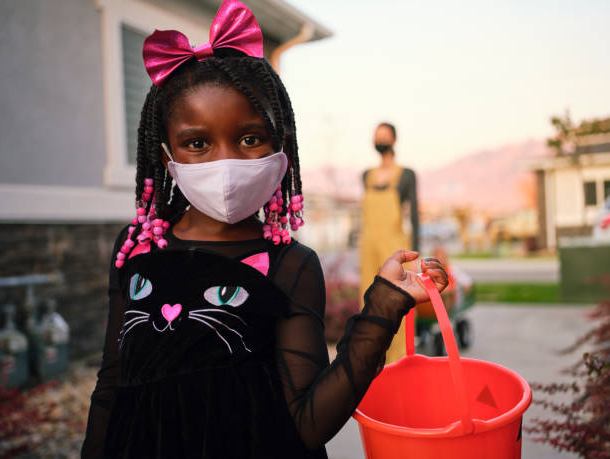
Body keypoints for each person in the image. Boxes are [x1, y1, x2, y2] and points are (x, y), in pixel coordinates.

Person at [82, 2, 447, 457]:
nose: (227, 162)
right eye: (197, 143)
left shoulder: (292, 265)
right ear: (164, 155)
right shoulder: (135, 250)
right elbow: (111, 386)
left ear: (282, 148)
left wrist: (383, 308)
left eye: (250, 139)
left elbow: (309, 424)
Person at [360, 122, 420, 364]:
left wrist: (416, 256)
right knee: (369, 299)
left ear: (394, 140)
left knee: (397, 299)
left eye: (384, 136)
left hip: (395, 246)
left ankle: (400, 360)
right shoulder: (366, 176)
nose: (380, 140)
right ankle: (371, 357)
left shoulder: (406, 175)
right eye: (377, 136)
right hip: (368, 247)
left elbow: (414, 215)